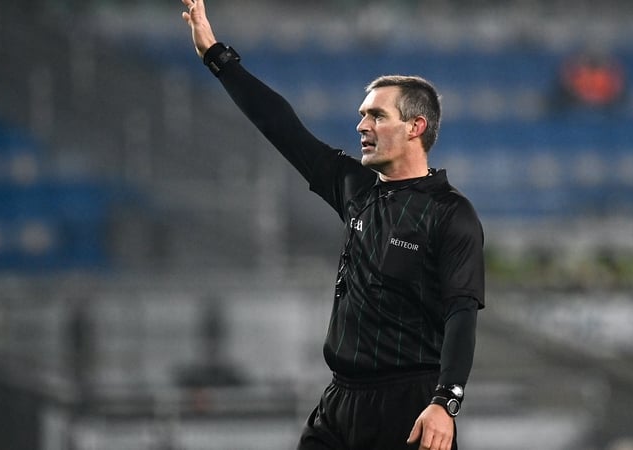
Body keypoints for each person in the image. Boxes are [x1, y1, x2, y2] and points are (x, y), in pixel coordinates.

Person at [180, 1, 485, 449]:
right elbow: (282, 127)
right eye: (363, 113)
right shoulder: (356, 187)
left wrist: (446, 401)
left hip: (409, 403)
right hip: (340, 399)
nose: (362, 124)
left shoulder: (450, 213)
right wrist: (216, 55)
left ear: (416, 126)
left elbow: (462, 314)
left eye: (377, 115)